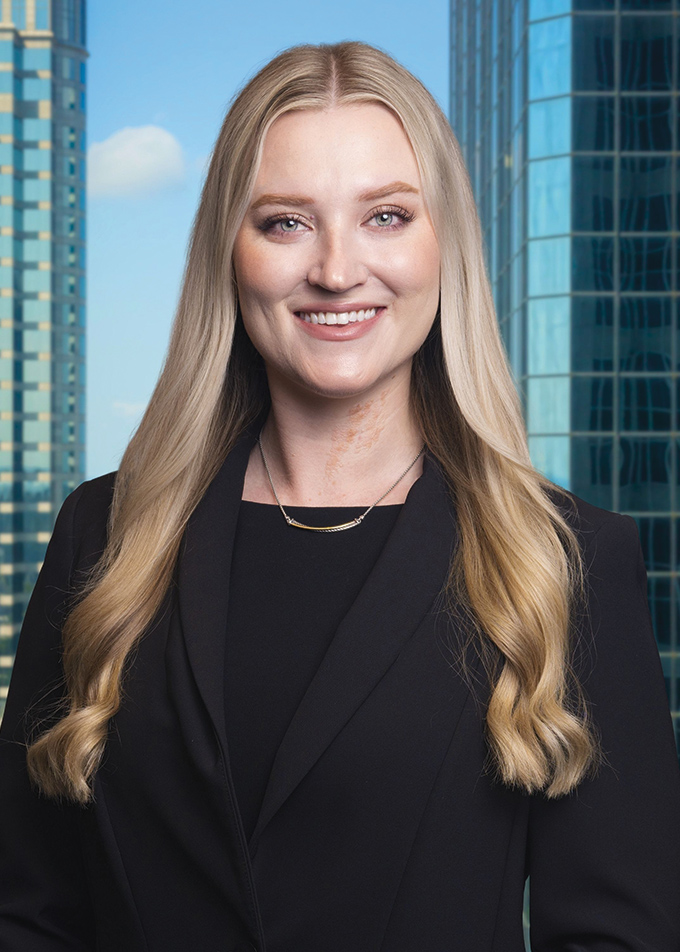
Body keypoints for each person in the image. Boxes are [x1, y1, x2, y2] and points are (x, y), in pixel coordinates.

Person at [1, 39, 679, 952]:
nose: (335, 268)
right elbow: (29, 911)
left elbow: (617, 937)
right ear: (229, 252)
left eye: (386, 216)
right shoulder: (104, 534)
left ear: (446, 244)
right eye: (285, 222)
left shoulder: (567, 560)